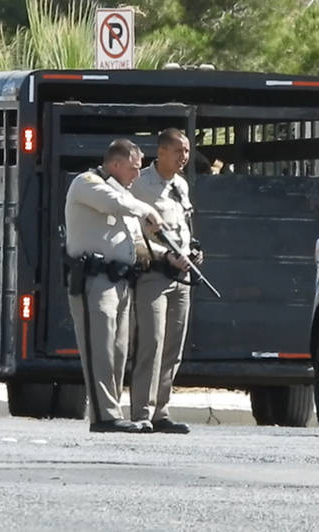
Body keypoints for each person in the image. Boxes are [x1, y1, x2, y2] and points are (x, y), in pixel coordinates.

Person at [64, 139, 164, 433]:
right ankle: (104, 417)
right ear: (116, 164)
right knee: (100, 349)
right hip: (95, 280)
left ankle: (113, 411)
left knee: (119, 350)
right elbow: (115, 204)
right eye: (134, 168)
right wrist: (146, 208)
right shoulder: (88, 183)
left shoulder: (124, 194)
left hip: (120, 281)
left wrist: (170, 255)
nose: (137, 175)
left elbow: (135, 242)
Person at [129, 128, 199, 434]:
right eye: (178, 151)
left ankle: (161, 411)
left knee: (173, 346)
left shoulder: (180, 186)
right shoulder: (141, 185)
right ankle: (141, 412)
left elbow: (183, 227)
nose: (184, 157)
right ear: (161, 152)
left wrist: (193, 251)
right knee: (151, 343)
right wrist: (163, 255)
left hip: (180, 275)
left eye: (186, 151)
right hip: (153, 272)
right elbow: (132, 231)